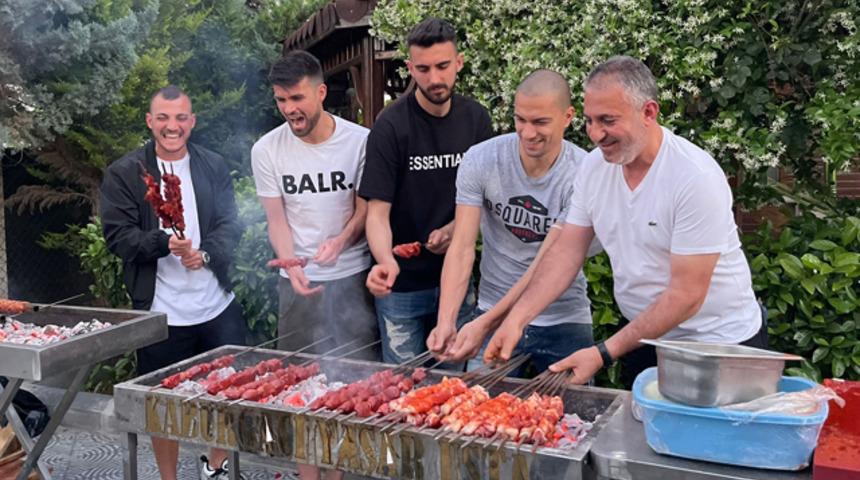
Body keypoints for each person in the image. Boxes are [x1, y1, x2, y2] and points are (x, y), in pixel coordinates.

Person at [482, 56, 766, 388]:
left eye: (607, 120)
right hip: (646, 339)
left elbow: (687, 295)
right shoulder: (593, 169)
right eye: (589, 120)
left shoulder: (694, 177)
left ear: (648, 112)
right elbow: (566, 254)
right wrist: (517, 320)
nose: (595, 134)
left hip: (720, 345)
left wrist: (603, 353)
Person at [100, 85, 246, 480]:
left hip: (216, 304)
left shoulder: (212, 165)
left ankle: (215, 467)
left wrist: (206, 254)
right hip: (163, 313)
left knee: (229, 393)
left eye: (181, 117)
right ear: (150, 121)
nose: (172, 126)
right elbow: (118, 238)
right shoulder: (125, 173)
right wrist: (163, 242)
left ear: (192, 121)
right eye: (163, 117)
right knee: (163, 405)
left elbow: (230, 225)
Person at [251, 50, 377, 480]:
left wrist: (341, 240)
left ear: (321, 92)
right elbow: (276, 219)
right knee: (301, 386)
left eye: (298, 98)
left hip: (353, 276)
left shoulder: (360, 140)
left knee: (353, 385)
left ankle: (342, 472)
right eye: (282, 100)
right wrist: (291, 268)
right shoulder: (267, 150)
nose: (290, 109)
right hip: (299, 283)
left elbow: (366, 209)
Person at [427, 70, 595, 376]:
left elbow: (547, 263)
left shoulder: (584, 172)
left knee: (575, 418)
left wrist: (486, 323)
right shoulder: (481, 159)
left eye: (541, 122)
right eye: (521, 120)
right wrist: (446, 321)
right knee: (477, 414)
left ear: (568, 117)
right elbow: (463, 247)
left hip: (564, 318)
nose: (528, 133)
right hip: (491, 306)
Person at [359, 17, 494, 364]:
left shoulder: (477, 120)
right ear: (409, 69)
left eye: (443, 66)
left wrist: (455, 230)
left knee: (460, 384)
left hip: (459, 278)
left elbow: (489, 202)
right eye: (423, 68)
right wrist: (386, 260)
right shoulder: (389, 127)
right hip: (401, 287)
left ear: (459, 63)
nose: (434, 78)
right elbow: (377, 212)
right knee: (405, 388)